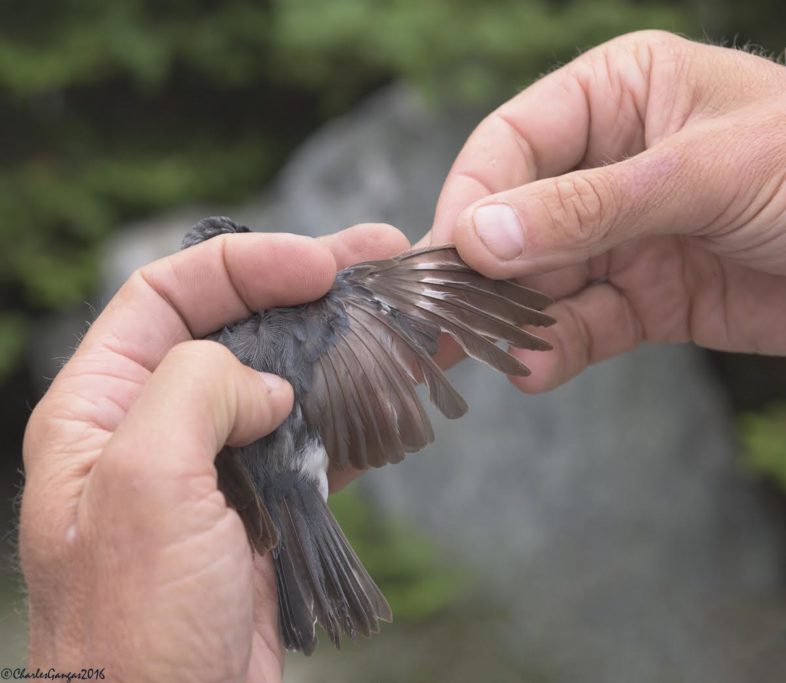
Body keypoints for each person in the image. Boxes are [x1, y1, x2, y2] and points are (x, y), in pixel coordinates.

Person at [20, 30, 786, 682]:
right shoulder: (318, 306)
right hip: (302, 463)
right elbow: (408, 294)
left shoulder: (193, 361)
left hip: (263, 482)